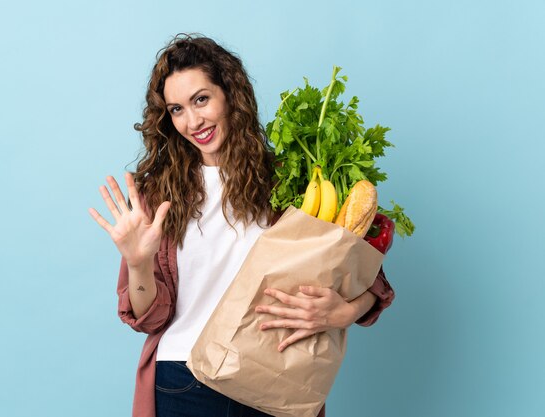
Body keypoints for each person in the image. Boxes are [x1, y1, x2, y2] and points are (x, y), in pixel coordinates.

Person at [89, 34, 395, 417]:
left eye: (201, 99)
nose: (192, 120)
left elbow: (370, 278)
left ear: (231, 95)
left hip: (273, 373)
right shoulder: (157, 196)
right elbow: (150, 317)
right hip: (183, 380)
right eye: (176, 109)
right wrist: (137, 262)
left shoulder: (294, 182)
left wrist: (343, 312)